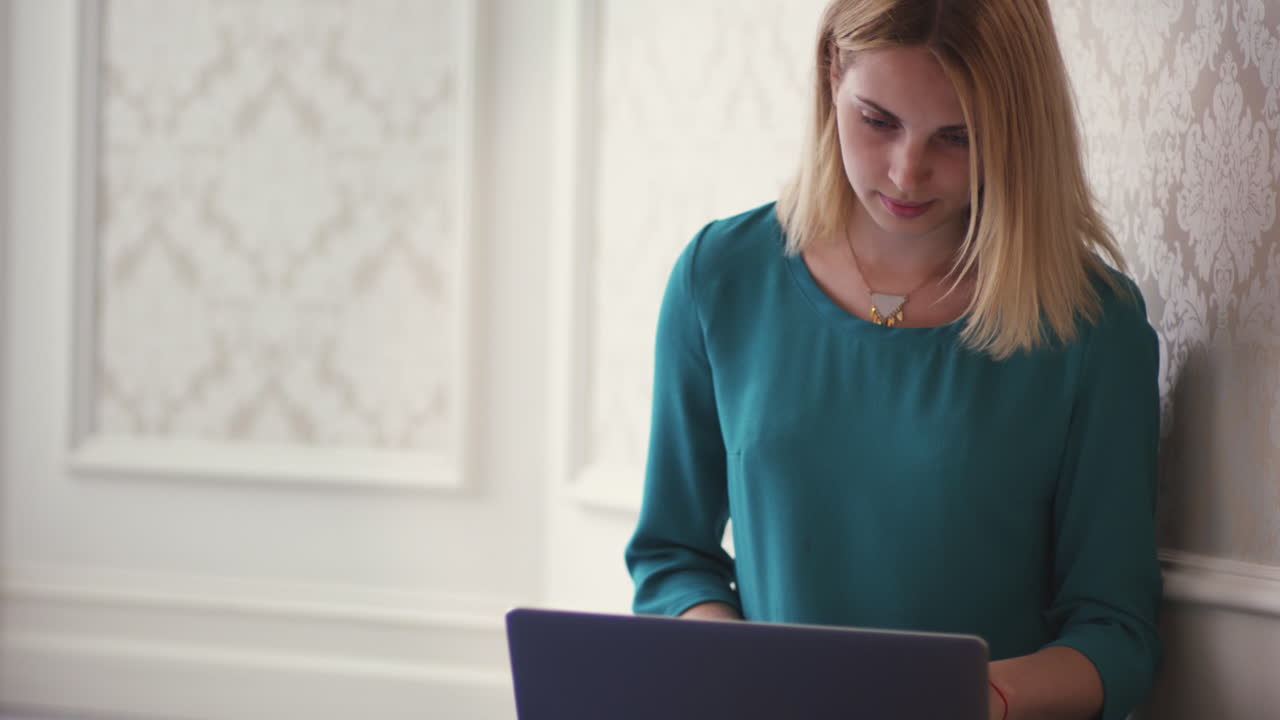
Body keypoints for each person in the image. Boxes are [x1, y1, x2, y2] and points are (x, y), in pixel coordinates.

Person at [623, 1, 1163, 719]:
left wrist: (969, 698)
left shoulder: (1092, 326)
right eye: (879, 121)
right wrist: (741, 669)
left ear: (1017, 128)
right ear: (831, 75)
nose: (908, 173)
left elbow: (1116, 636)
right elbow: (671, 559)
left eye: (958, 137)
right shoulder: (720, 277)